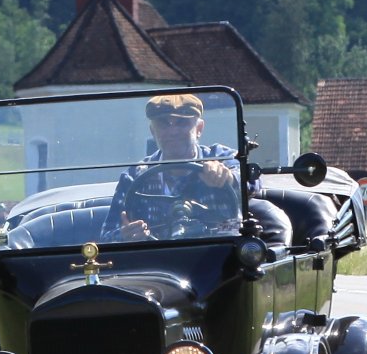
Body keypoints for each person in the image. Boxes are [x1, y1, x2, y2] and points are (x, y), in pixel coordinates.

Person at [101, 93, 289, 244]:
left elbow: (252, 180)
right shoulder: (135, 176)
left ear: (199, 128)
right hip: (158, 264)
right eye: (163, 123)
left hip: (218, 258)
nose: (172, 131)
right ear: (153, 131)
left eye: (182, 123)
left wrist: (228, 177)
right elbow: (106, 237)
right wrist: (126, 236)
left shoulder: (220, 157)